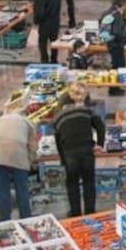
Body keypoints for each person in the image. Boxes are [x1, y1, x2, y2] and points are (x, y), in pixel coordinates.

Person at [52, 83, 105, 217]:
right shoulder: (87, 111)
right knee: (89, 182)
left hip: (70, 153)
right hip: (87, 150)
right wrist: (100, 144)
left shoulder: (59, 116)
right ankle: (90, 213)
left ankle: (75, 215)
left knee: (72, 184)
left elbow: (57, 139)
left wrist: (62, 159)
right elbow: (100, 126)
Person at [0, 105, 38, 221]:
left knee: (2, 193)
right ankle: (26, 219)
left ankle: (5, 221)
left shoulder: (0, 119)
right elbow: (33, 146)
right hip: (17, 155)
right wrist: (28, 162)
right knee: (22, 191)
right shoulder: (28, 122)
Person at [100, 0, 126, 96]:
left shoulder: (106, 12)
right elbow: (117, 32)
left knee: (113, 65)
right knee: (118, 66)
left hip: (109, 43)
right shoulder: (117, 16)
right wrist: (123, 40)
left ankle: (113, 87)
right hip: (116, 45)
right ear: (122, 5)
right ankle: (114, 88)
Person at [32, 0, 61, 64]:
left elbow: (39, 13)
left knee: (43, 44)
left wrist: (36, 21)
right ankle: (54, 60)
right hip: (55, 22)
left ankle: (44, 61)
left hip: (45, 24)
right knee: (54, 42)